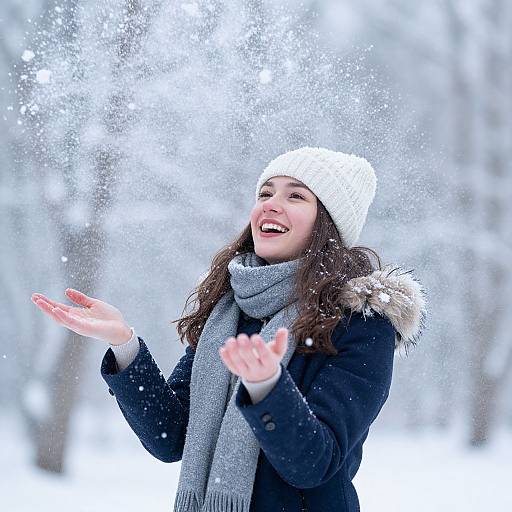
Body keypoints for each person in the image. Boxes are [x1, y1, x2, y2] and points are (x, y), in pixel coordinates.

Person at [31, 146, 427, 512]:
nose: (271, 206)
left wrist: (267, 387)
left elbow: (312, 464)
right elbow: (171, 437)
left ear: (328, 224)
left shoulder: (360, 324)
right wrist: (125, 345)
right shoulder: (228, 311)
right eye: (265, 193)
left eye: (296, 196)